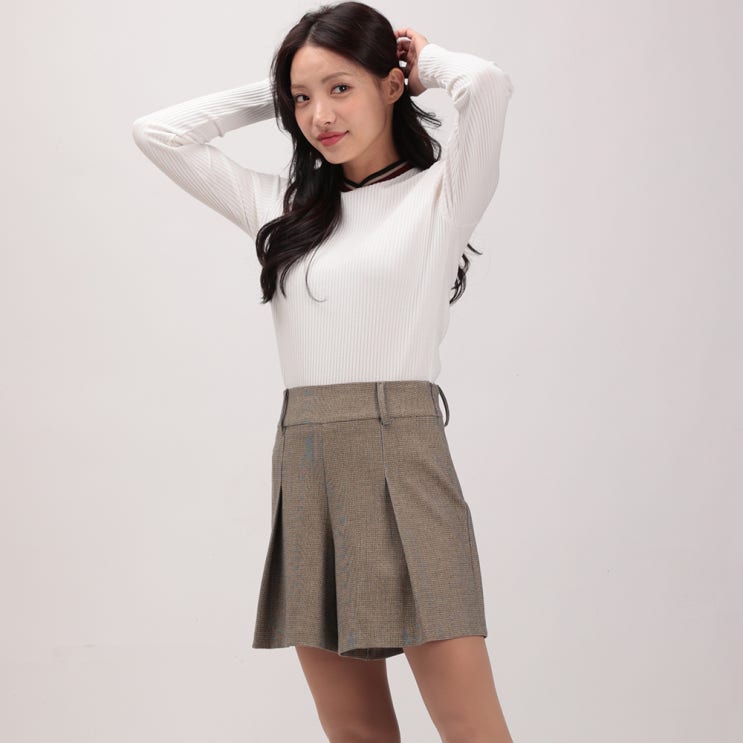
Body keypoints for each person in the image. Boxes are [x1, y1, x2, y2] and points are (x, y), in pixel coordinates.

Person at [132, 2, 515, 741]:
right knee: (354, 731)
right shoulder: (281, 208)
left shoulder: (441, 195)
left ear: (391, 85)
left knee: (471, 727)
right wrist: (285, 84)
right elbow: (159, 132)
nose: (320, 116)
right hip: (307, 458)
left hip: (403, 452)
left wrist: (421, 60)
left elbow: (487, 85)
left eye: (342, 89)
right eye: (302, 100)